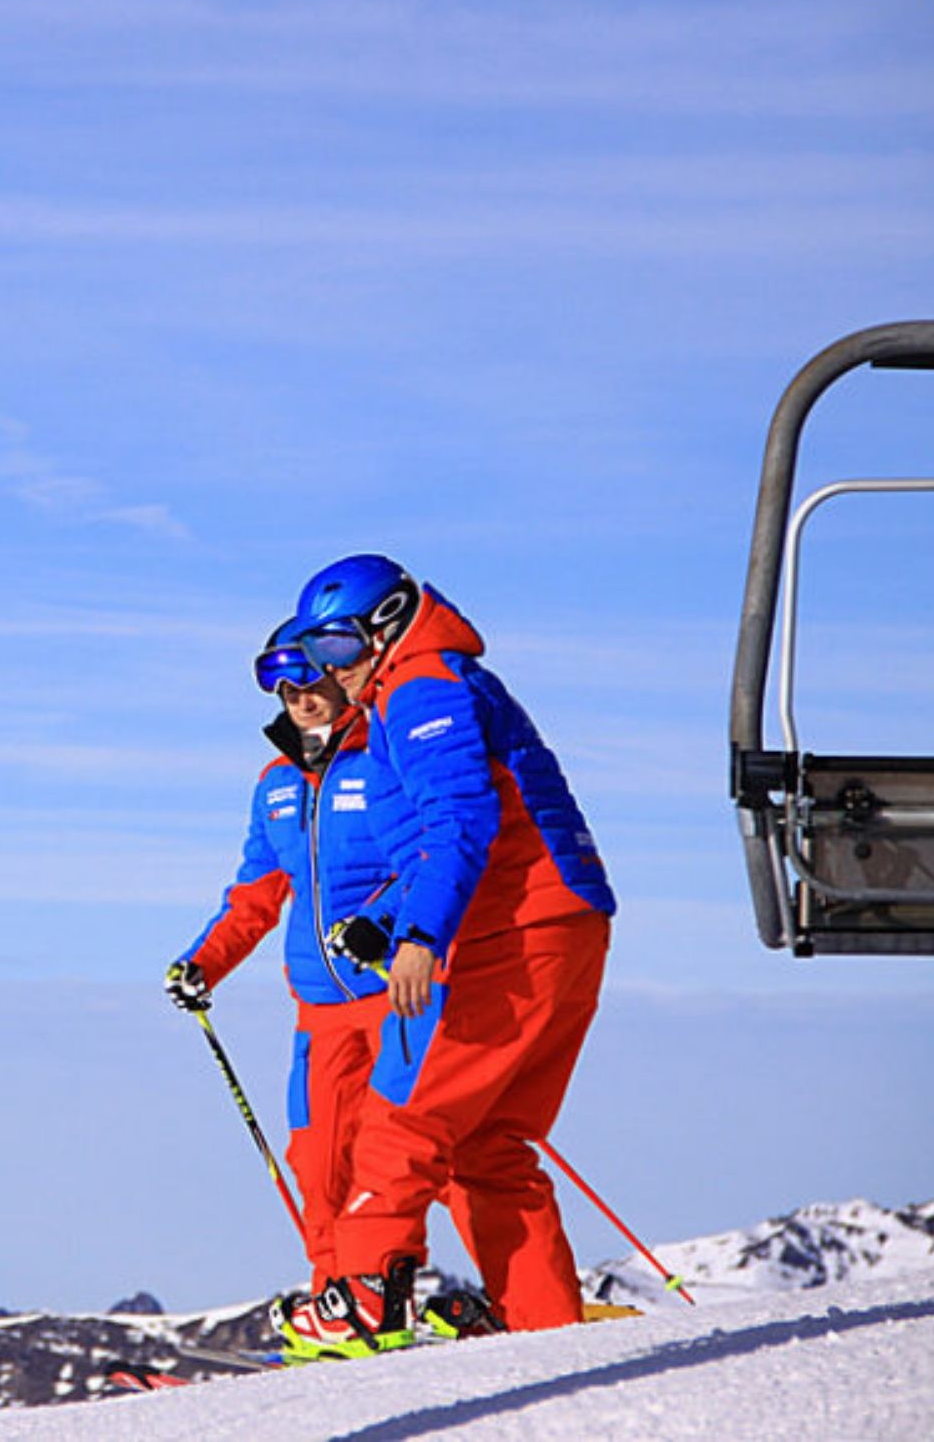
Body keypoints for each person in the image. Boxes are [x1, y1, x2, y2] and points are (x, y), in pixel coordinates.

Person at [276, 553, 613, 1358]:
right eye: (313, 650)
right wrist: (391, 917)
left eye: (337, 646)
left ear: (386, 626)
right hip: (564, 925)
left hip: (512, 932)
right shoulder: (430, 683)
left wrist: (419, 936)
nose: (331, 670)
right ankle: (544, 1326)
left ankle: (366, 1298)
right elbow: (443, 834)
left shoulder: (422, 686)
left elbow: (459, 818)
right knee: (486, 1144)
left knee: (402, 1120)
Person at [165, 621, 481, 1305]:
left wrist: (379, 924)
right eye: (285, 689)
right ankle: (341, 1303)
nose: (301, 699)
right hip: (321, 1011)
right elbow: (254, 894)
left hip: (395, 994)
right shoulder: (276, 785)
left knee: (420, 1157)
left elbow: (426, 860)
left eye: (310, 682)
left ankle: (509, 1297)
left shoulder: (381, 762)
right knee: (319, 1162)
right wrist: (202, 964)